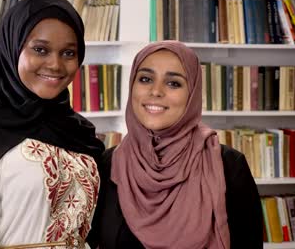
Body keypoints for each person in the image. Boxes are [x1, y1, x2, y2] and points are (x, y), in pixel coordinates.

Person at [0, 0, 105, 249]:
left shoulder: (78, 132)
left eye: (68, 53)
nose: (55, 64)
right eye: (40, 49)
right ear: (13, 48)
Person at [87, 41, 263, 249]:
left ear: (193, 93)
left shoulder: (229, 165)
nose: (156, 91)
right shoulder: (107, 164)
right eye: (145, 79)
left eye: (173, 83)